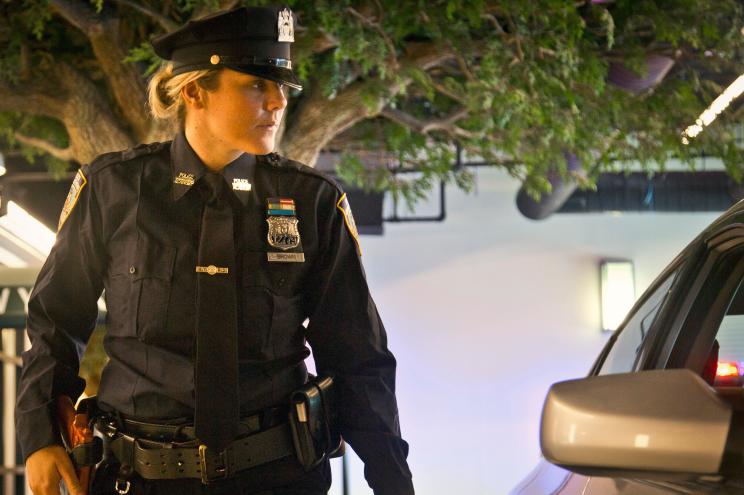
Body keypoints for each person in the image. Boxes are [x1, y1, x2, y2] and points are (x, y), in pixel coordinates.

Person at [16, 5, 414, 495]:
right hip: (137, 480)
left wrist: (394, 481)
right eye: (255, 84)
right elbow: (54, 323)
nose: (277, 102)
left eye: (282, 86)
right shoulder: (112, 189)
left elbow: (357, 357)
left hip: (278, 478)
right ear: (194, 90)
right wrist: (38, 437)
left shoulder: (312, 203)